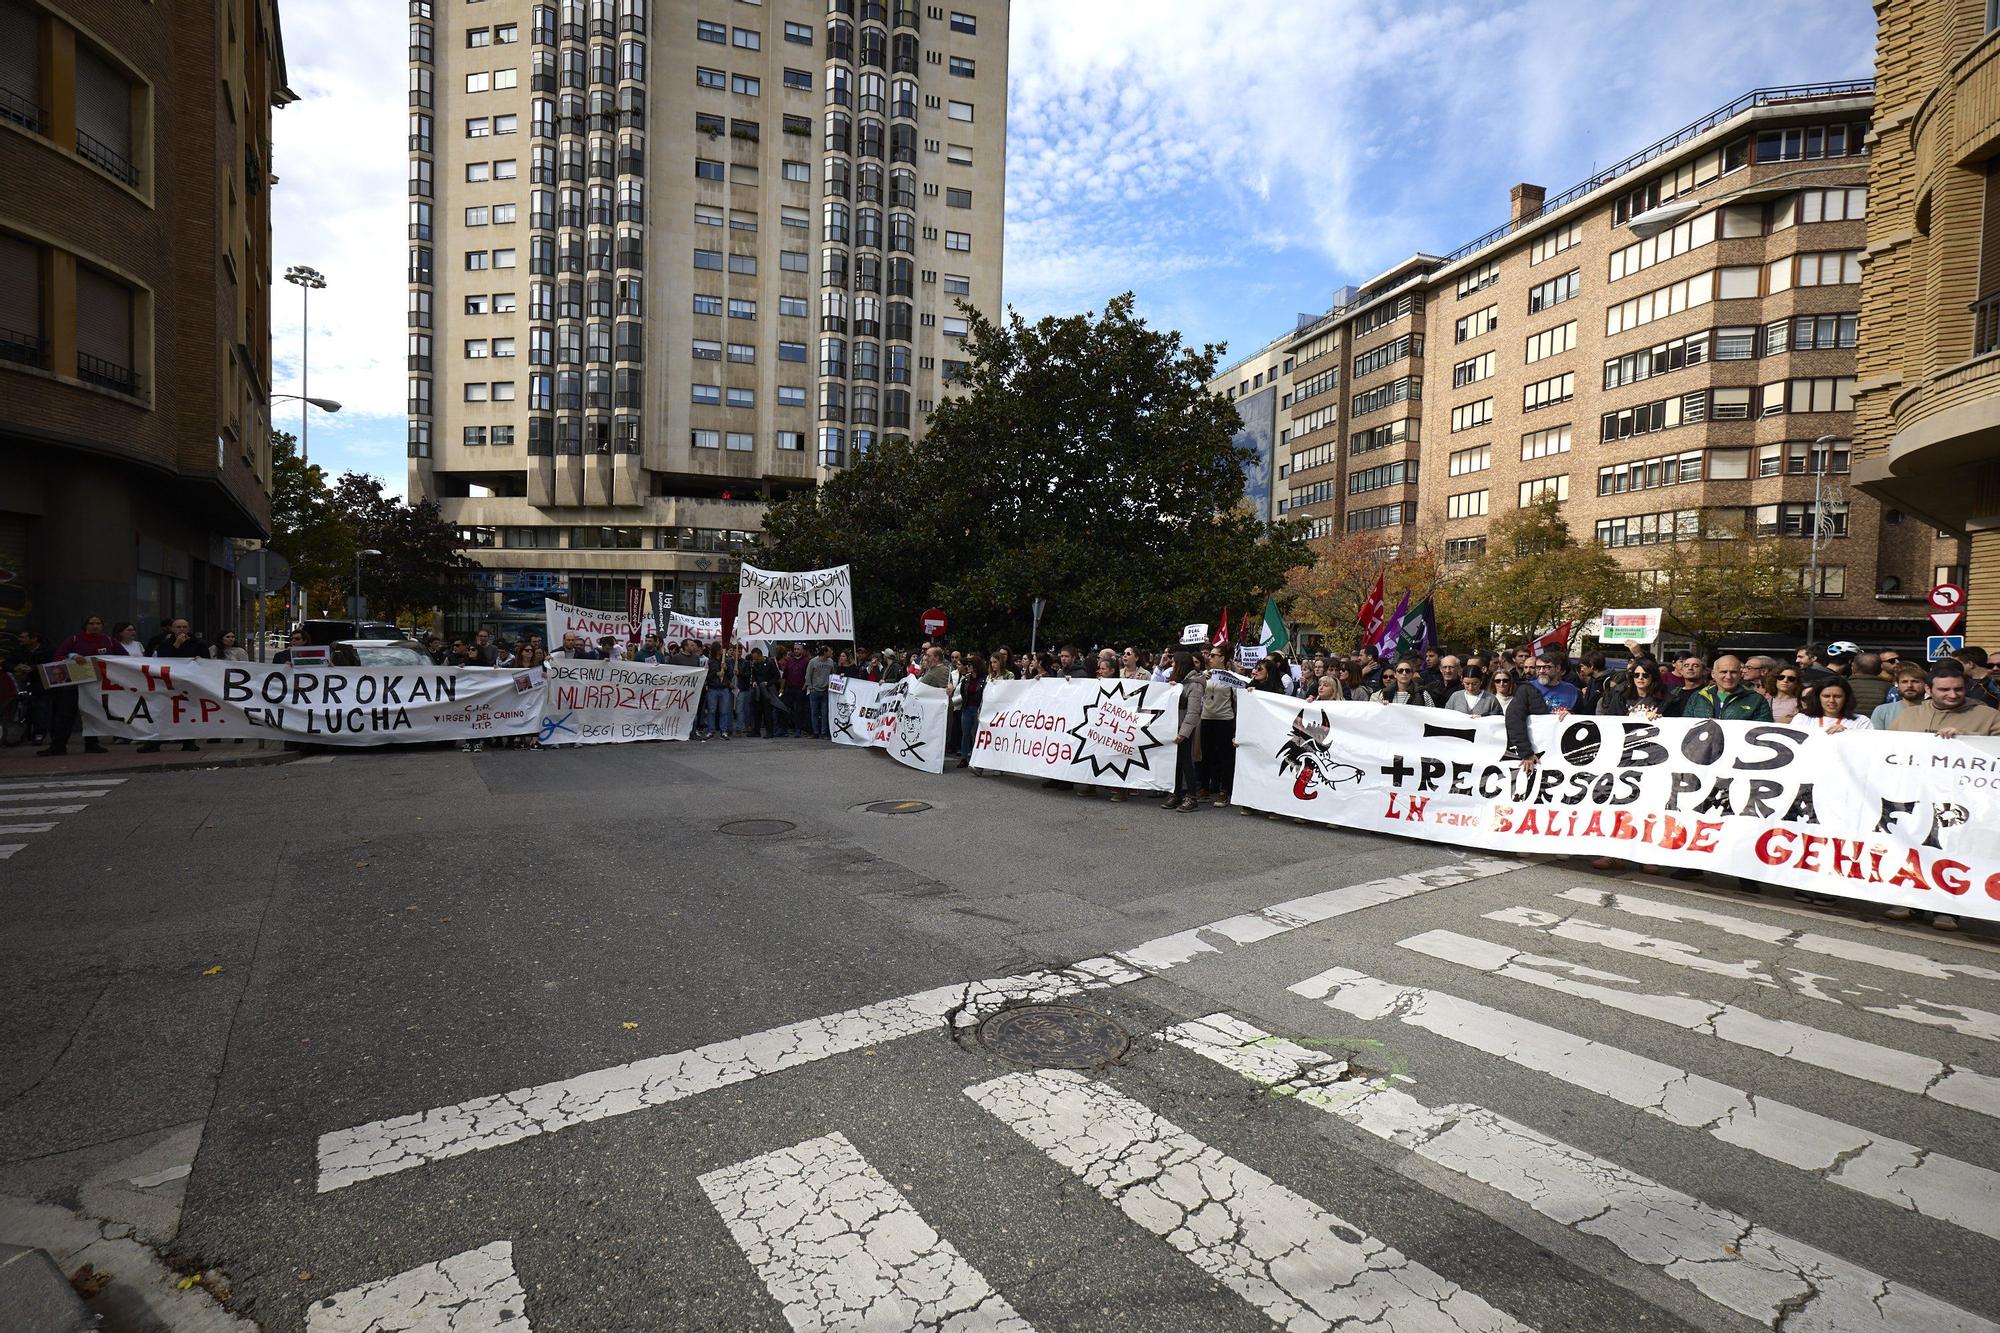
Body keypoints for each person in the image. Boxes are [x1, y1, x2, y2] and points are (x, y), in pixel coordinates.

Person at [1883, 662, 1999, 930]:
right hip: (1915, 796)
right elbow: (1885, 749)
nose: (1953, 695)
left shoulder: (1988, 716)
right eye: (1944, 689)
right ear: (1928, 688)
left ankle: (1946, 909)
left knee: (1952, 851)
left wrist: (1967, 741)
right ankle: (1909, 900)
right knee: (1912, 847)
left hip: (1963, 801)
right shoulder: (1910, 716)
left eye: (1958, 689)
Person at [41, 615, 119, 756]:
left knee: (92, 714)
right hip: (74, 686)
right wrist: (72, 656)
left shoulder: (108, 641)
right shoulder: (74, 640)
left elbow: (123, 658)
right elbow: (58, 656)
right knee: (65, 715)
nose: (95, 626)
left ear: (102, 625)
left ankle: (92, 744)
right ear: (85, 626)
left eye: (98, 623)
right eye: (91, 623)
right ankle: (58, 745)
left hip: (97, 686)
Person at [138, 619, 206, 753]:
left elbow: (207, 662)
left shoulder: (198, 644)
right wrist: (177, 644)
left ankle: (189, 742)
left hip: (189, 684)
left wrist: (199, 660)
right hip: (168, 684)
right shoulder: (165, 644)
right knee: (163, 713)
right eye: (178, 627)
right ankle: (154, 742)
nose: (182, 629)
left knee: (188, 713)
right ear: (172, 629)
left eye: (184, 627)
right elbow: (163, 659)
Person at [1503, 655, 1579, 768]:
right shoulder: (1526, 689)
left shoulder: (1571, 690)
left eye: (1547, 667)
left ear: (1558, 668)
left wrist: (1572, 715)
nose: (1541, 671)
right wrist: (1526, 753)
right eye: (1538, 668)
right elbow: (1514, 719)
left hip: (1563, 751)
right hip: (1535, 752)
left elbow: (1586, 717)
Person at [1163, 650, 1204, 813]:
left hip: (1183, 729)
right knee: (1175, 762)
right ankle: (1176, 793)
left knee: (1186, 762)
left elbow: (1193, 712)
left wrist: (1183, 733)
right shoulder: (1178, 682)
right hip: (1173, 727)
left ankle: (1191, 796)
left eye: (1174, 663)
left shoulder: (1195, 684)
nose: (1172, 665)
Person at [1680, 656, 1773, 722]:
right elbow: (1686, 726)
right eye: (1723, 672)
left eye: (1733, 672)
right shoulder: (1697, 697)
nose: (1728, 677)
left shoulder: (1756, 700)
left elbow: (1762, 731)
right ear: (1713, 674)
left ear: (1741, 674)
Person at [1200, 645, 1237, 807]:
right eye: (1210, 655)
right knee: (1206, 755)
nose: (1210, 658)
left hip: (1225, 720)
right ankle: (1204, 787)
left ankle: (1224, 790)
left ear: (1222, 658)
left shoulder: (1231, 677)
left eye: (1214, 655)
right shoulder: (1205, 675)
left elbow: (1238, 699)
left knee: (1225, 757)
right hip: (1206, 718)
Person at [1796, 677, 1872, 735]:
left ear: (1846, 698)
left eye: (1837, 696)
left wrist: (1848, 733)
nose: (1832, 700)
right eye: (1826, 696)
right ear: (1818, 698)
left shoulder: (1862, 721)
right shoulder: (1802, 719)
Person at [1595, 662, 1668, 719]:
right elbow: (1610, 719)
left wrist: (1662, 720)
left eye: (1645, 675)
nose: (1640, 678)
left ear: (1653, 677)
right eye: (1636, 675)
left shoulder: (1665, 700)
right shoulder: (1620, 697)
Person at [1870, 665, 1928, 731]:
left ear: (1926, 685)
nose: (1909, 686)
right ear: (1898, 685)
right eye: (1904, 682)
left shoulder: (1934, 711)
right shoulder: (1882, 710)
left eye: (1915, 681)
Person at [957, 653, 984, 769]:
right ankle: (964, 757)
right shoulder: (967, 678)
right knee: (965, 733)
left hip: (978, 709)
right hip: (967, 707)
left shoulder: (984, 679)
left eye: (970, 665)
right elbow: (963, 692)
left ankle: (974, 757)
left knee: (975, 734)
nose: (968, 667)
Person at [806, 644, 835, 740]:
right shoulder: (813, 662)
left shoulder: (830, 662)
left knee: (824, 712)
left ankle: (824, 732)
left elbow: (833, 674)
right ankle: (815, 732)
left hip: (825, 690)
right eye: (829, 651)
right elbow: (808, 675)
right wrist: (811, 687)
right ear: (825, 652)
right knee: (814, 712)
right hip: (815, 690)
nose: (831, 653)